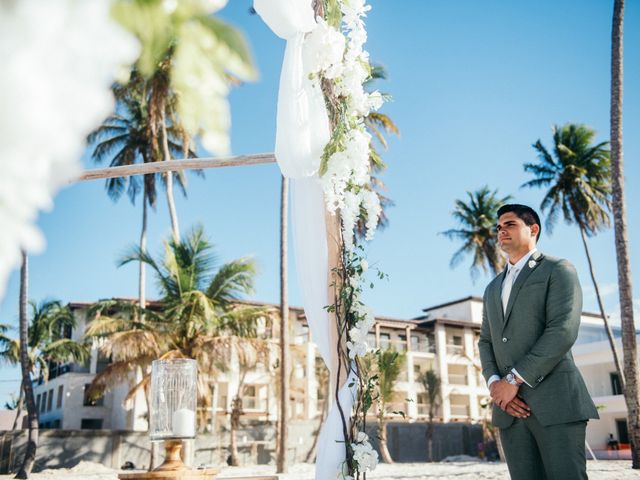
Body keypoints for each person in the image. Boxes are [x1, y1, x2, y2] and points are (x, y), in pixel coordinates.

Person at [478, 204, 599, 480]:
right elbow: (486, 341)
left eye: (509, 224)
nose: (501, 231)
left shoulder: (558, 269)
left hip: (556, 403)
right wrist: (496, 384)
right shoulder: (492, 288)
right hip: (509, 410)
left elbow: (563, 331)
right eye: (498, 227)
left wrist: (513, 381)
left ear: (533, 229)